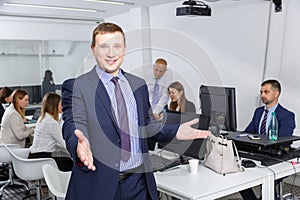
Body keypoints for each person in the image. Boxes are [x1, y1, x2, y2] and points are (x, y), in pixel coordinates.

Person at [61, 22, 211, 200]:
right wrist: (78, 145)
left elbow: (147, 126)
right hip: (99, 185)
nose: (111, 53)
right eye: (104, 47)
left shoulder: (137, 85)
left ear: (124, 49)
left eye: (117, 46)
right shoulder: (78, 86)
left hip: (139, 184)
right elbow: (73, 123)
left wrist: (176, 131)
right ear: (93, 49)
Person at [240, 79, 296, 200]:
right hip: (257, 154)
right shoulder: (258, 112)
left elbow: (281, 139)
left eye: (266, 92)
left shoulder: (286, 115)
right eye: (261, 92)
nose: (262, 95)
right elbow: (248, 132)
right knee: (239, 178)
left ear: (276, 94)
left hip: (275, 158)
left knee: (266, 181)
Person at [29, 92, 73, 171]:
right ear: (54, 105)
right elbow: (64, 144)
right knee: (72, 164)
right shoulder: (51, 123)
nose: (62, 106)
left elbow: (56, 142)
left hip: (34, 157)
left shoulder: (44, 118)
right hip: (42, 160)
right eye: (60, 103)